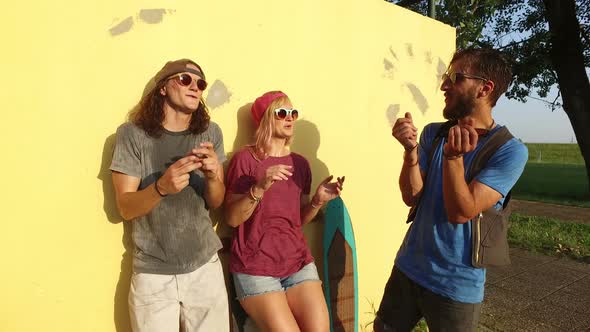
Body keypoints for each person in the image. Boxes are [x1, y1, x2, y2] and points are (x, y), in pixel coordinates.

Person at [374, 48, 528, 332]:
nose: (444, 85)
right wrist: (410, 153)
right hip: (408, 267)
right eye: (445, 77)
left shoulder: (509, 151)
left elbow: (461, 212)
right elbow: (412, 196)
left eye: (455, 77)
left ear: (485, 88)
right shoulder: (434, 133)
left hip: (455, 285)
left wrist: (454, 158)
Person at [110, 59, 229, 332]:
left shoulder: (210, 133)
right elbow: (125, 208)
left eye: (201, 84)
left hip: (205, 268)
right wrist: (161, 187)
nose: (195, 87)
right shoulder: (132, 135)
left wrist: (213, 177)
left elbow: (217, 202)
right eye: (185, 80)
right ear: (163, 88)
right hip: (153, 274)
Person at [224, 91, 344, 332]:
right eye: (281, 113)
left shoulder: (300, 164)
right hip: (255, 268)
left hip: (297, 263)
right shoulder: (245, 161)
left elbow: (296, 221)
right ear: (266, 118)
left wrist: (317, 202)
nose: (289, 118)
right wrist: (259, 187)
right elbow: (232, 219)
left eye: (293, 113)